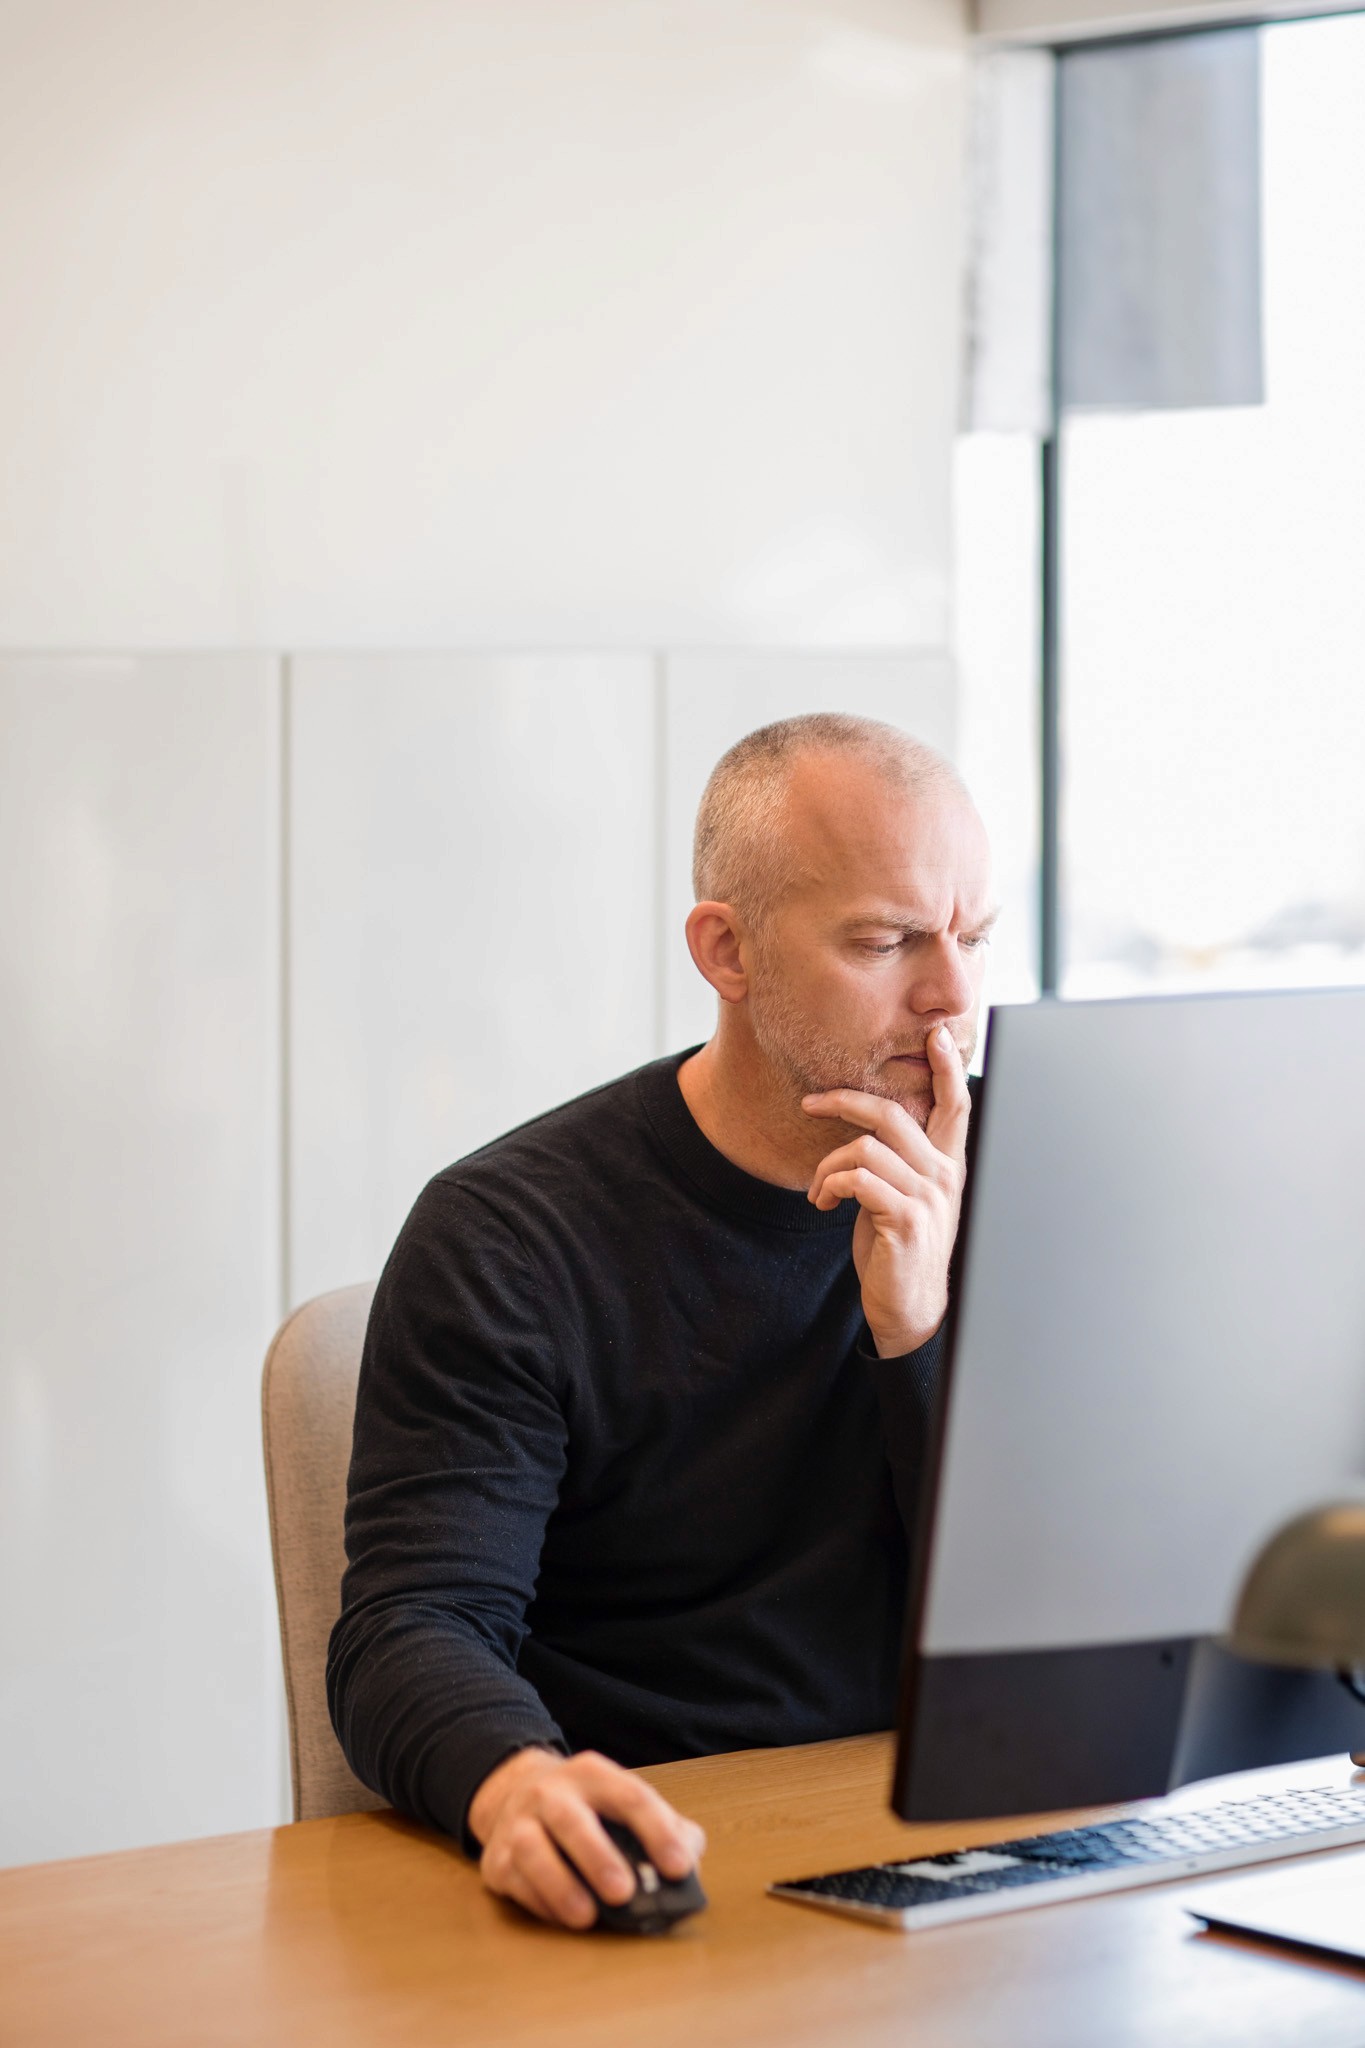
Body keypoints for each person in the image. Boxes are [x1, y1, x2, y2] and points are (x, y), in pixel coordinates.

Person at [328, 712, 997, 1930]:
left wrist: (922, 1334)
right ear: (726, 951)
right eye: (887, 939)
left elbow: (1056, 1633)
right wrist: (518, 1784)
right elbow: (410, 1625)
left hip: (972, 1858)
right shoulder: (510, 1233)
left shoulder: (1027, 1169)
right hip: (670, 1854)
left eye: (972, 934)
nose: (950, 994)